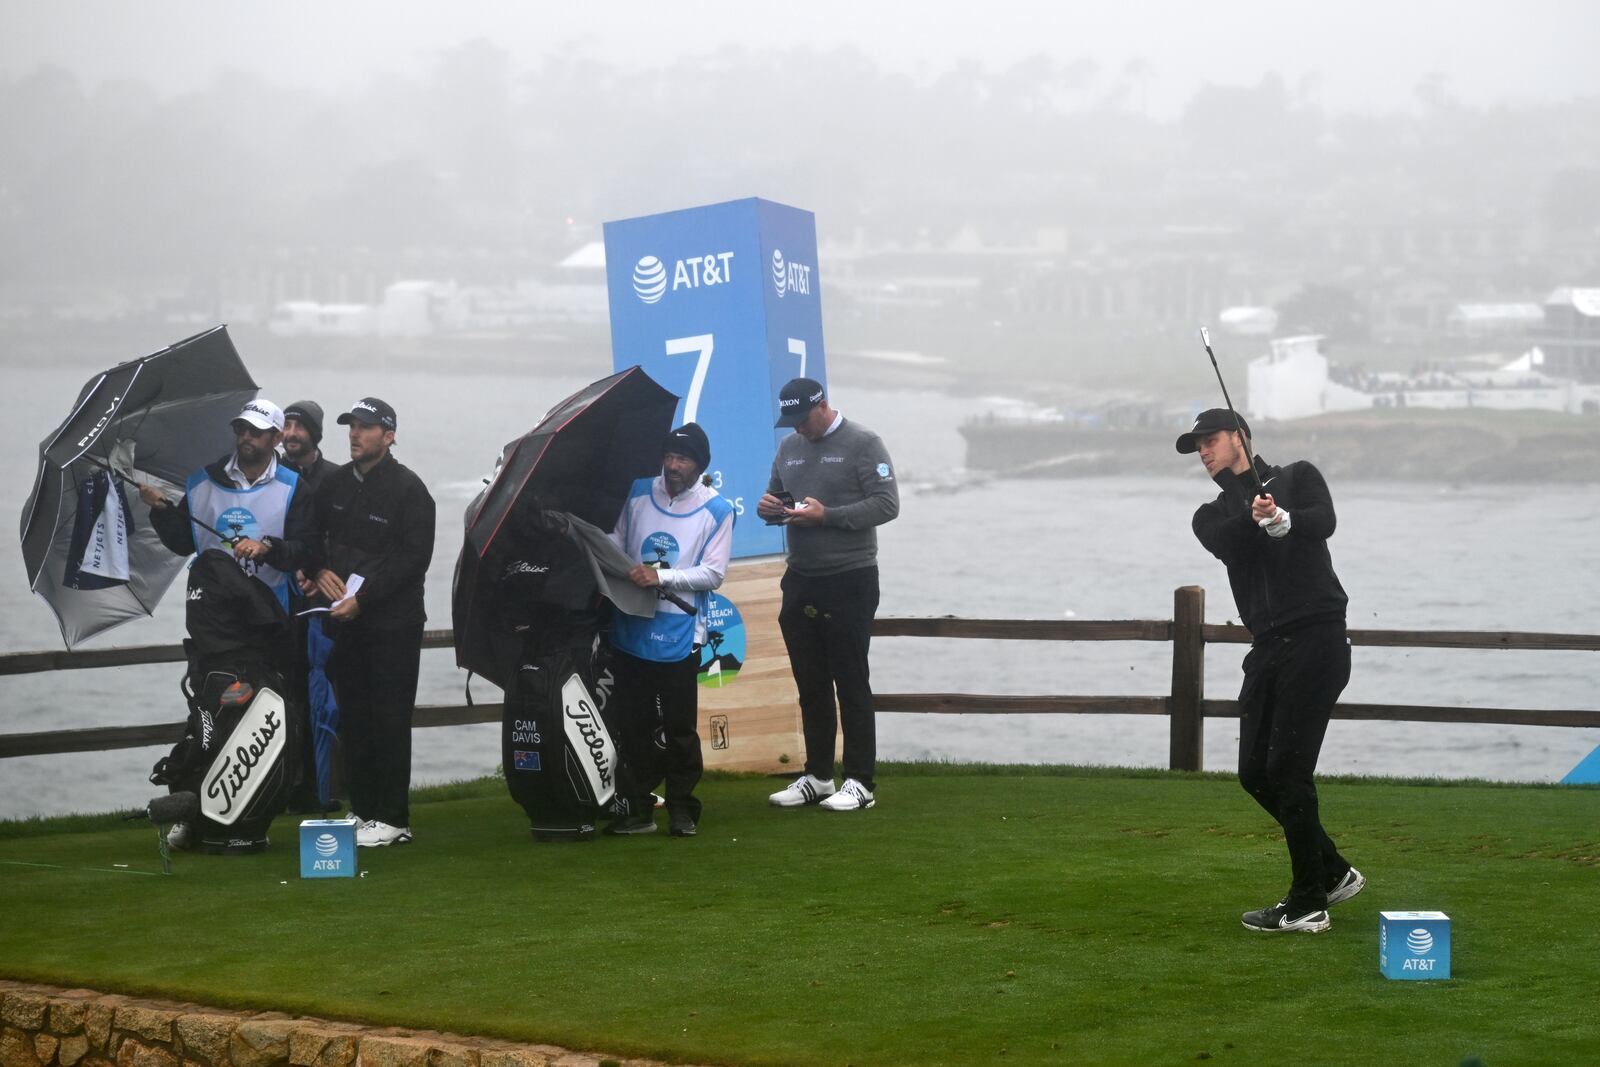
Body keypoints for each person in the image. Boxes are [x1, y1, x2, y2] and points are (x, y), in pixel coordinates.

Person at [1177, 407, 1365, 934]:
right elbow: (1231, 541)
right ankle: (1332, 870)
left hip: (1318, 638)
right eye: (1197, 447)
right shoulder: (1210, 515)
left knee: (1288, 770)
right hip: (1268, 648)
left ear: (1239, 437)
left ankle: (1307, 902)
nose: (1203, 452)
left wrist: (1286, 517)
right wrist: (1254, 509)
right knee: (1255, 773)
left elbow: (1323, 520)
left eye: (1210, 440)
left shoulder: (1297, 476)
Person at [756, 378, 899, 813]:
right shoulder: (789, 448)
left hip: (850, 577)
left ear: (822, 407)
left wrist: (827, 517)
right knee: (810, 681)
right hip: (801, 576)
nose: (797, 428)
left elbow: (886, 504)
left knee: (851, 680)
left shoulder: (863, 443)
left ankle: (861, 781)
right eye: (791, 422)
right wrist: (770, 510)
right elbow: (779, 498)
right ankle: (818, 776)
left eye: (802, 420)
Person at [304, 397, 435, 848]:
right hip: (344, 622)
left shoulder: (409, 490)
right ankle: (363, 811)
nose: (355, 434)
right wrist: (318, 570)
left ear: (389, 435)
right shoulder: (336, 484)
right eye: (351, 426)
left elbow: (412, 562)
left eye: (365, 427)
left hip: (392, 624)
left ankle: (394, 817)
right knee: (354, 718)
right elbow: (312, 538)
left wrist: (365, 601)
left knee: (389, 720)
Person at [605, 423, 735, 837]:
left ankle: (682, 808)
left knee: (680, 730)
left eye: (683, 460)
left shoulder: (718, 510)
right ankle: (640, 807)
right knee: (634, 725)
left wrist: (661, 578)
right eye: (669, 457)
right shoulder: (639, 491)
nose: (673, 466)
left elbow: (713, 574)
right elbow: (617, 541)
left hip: (681, 633)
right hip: (632, 623)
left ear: (700, 465)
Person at [139, 397, 315, 607]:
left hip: (271, 610)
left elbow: (305, 550)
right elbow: (183, 544)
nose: (246, 437)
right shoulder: (201, 483)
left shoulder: (294, 486)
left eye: (256, 431)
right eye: (241, 429)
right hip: (213, 609)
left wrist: (267, 547)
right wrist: (162, 510)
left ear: (277, 438)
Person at [280, 399, 344, 813]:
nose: (290, 433)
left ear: (315, 433)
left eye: (299, 425)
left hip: (324, 610)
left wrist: (317, 569)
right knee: (289, 697)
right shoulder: (272, 478)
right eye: (285, 425)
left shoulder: (336, 480)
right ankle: (291, 784)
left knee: (326, 698)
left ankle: (328, 785)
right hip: (283, 607)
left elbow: (341, 537)